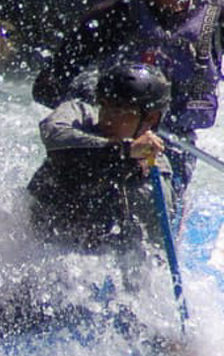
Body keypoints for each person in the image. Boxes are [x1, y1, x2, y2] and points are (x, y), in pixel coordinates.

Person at [33, 0, 221, 197]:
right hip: (108, 137)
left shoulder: (213, 22)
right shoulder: (113, 16)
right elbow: (46, 86)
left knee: (146, 191)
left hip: (171, 145)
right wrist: (102, 100)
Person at [27, 61, 175, 252]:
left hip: (96, 253)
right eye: (104, 105)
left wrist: (132, 166)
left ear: (151, 118)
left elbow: (155, 246)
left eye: (121, 110)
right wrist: (124, 151)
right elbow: (55, 139)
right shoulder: (78, 115)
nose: (107, 117)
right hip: (39, 237)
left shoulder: (155, 172)